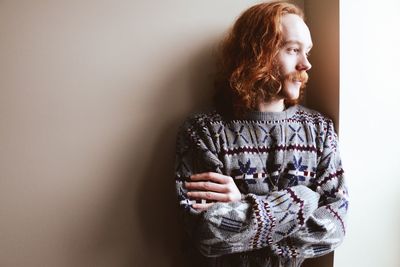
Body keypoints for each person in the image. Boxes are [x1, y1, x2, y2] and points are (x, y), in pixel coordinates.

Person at [174, 1, 348, 267]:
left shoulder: (319, 129)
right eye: (293, 50)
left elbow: (333, 229)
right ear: (258, 54)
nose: (306, 64)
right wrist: (303, 199)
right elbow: (207, 235)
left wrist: (242, 205)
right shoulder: (204, 131)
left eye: (307, 52)